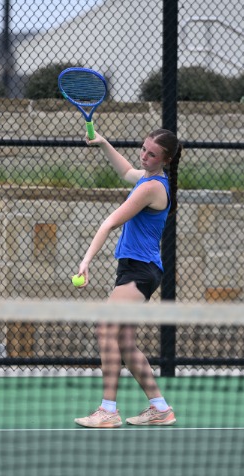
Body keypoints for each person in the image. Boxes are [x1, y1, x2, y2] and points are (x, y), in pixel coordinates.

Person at [73, 128, 182, 428]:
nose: (144, 156)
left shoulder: (152, 188)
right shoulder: (147, 178)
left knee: (105, 327)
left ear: (166, 160)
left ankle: (108, 410)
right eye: (143, 149)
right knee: (125, 342)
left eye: (152, 154)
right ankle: (160, 408)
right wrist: (104, 143)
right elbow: (125, 172)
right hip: (136, 269)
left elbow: (110, 222)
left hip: (140, 271)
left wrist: (86, 260)